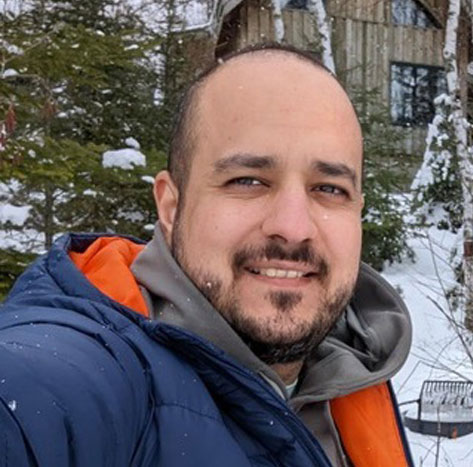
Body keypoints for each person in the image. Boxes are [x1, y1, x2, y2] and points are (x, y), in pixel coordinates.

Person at [0, 43, 413, 466]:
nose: (293, 227)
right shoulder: (87, 369)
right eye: (248, 180)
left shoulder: (350, 363)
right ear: (171, 207)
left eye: (329, 189)